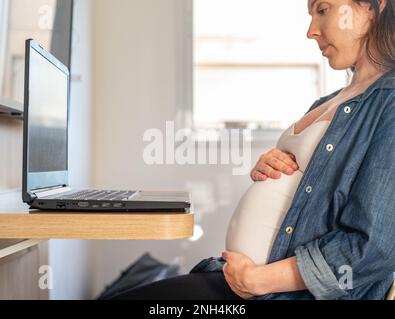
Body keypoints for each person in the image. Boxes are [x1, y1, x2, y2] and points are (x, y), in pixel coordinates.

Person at [110, 0, 395, 300]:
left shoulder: (389, 101)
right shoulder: (332, 99)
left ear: (373, 7)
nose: (311, 31)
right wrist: (271, 166)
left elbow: (375, 245)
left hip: (274, 292)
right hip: (237, 280)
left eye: (323, 10)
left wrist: (261, 280)